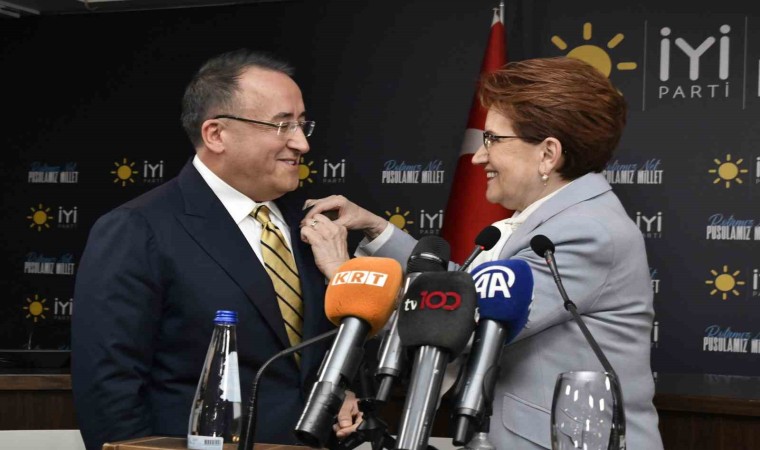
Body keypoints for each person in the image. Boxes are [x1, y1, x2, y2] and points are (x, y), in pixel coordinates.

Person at [304, 57, 664, 449]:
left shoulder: (586, 231)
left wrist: (346, 275)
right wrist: (377, 229)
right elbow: (474, 292)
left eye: (493, 139)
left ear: (548, 154)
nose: (478, 156)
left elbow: (456, 326)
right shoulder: (558, 217)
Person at [71, 49, 360, 450]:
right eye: (283, 125)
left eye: (302, 124)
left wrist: (343, 390)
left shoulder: (314, 224)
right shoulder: (138, 229)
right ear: (216, 134)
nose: (301, 143)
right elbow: (108, 389)